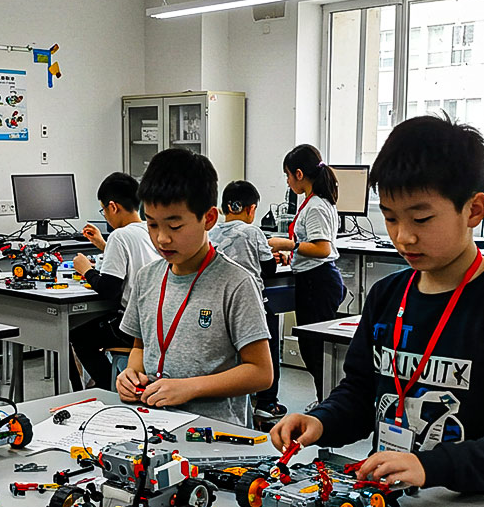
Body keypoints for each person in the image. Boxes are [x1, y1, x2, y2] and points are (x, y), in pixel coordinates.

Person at [269, 116, 484, 503]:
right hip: (387, 501)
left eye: (421, 219)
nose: (403, 236)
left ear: (473, 211)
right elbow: (359, 393)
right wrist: (320, 421)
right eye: (390, 218)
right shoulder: (388, 295)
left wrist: (431, 466)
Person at [116, 149, 273, 425]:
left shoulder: (235, 283)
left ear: (209, 219)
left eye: (175, 226)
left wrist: (190, 387)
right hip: (153, 425)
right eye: (152, 225)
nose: (162, 238)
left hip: (215, 435)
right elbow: (140, 347)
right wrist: (131, 374)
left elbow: (261, 372)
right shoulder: (147, 278)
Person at [267, 145, 345, 406]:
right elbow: (309, 244)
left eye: (287, 175)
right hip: (311, 279)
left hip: (318, 282)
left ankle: (327, 403)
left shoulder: (317, 207)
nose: (288, 182)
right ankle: (324, 399)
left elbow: (323, 248)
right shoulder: (311, 202)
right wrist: (294, 254)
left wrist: (288, 245)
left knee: (315, 351)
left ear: (299, 174)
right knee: (310, 348)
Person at [68, 172, 159, 390]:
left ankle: (107, 385)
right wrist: (102, 244)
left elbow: (108, 289)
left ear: (113, 206)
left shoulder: (120, 235)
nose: (106, 216)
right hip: (155, 323)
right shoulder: (150, 230)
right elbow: (133, 260)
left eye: (104, 210)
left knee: (76, 335)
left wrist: (86, 270)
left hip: (131, 328)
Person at [208, 180, 284, 420]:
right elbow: (268, 268)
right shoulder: (253, 231)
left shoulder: (212, 232)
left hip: (218, 304)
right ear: (251, 209)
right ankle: (266, 402)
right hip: (251, 304)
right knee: (268, 349)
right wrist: (275, 257)